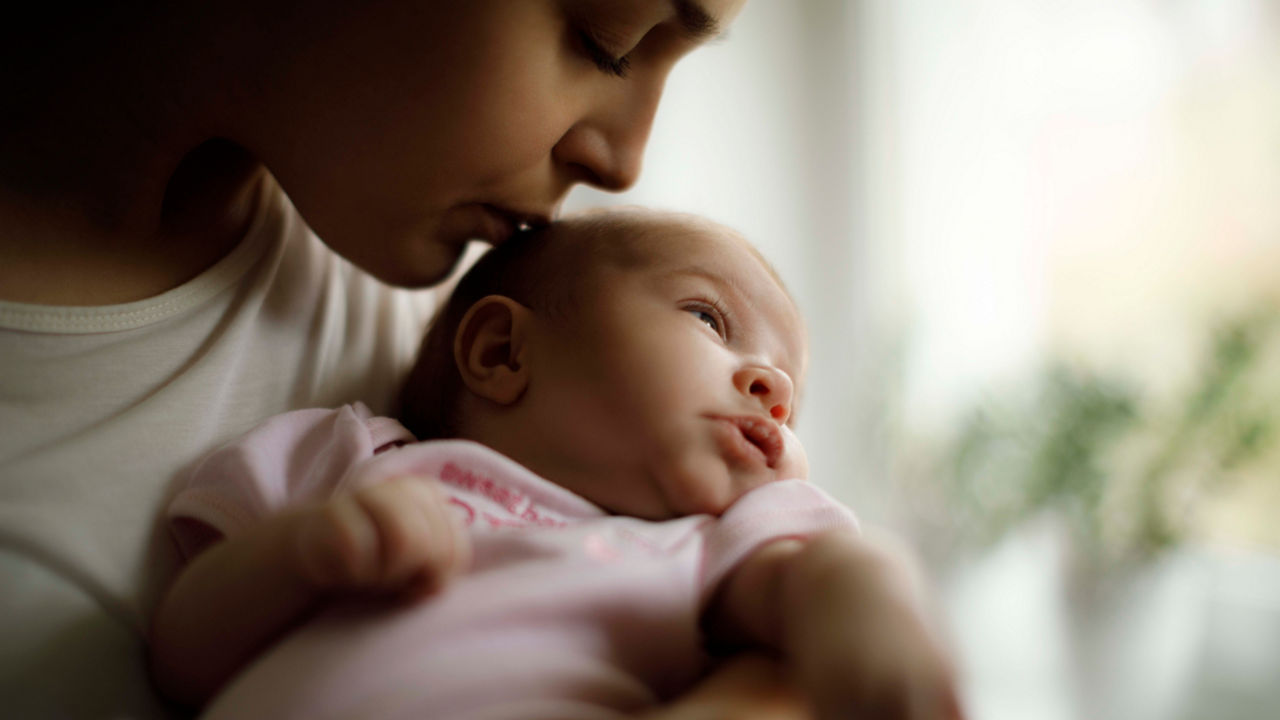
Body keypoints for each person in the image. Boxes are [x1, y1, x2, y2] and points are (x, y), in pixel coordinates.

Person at [0, 2, 829, 718]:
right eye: (606, 36)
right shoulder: (402, 429)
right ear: (497, 352)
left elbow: (834, 626)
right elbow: (188, 644)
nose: (622, 164)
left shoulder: (443, 276)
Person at [152, 209, 965, 720]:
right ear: (503, 351)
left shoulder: (709, 550)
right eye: (710, 319)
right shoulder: (362, 458)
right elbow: (181, 660)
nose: (774, 388)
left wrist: (867, 588)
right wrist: (302, 553)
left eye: (791, 391)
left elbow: (809, 577)